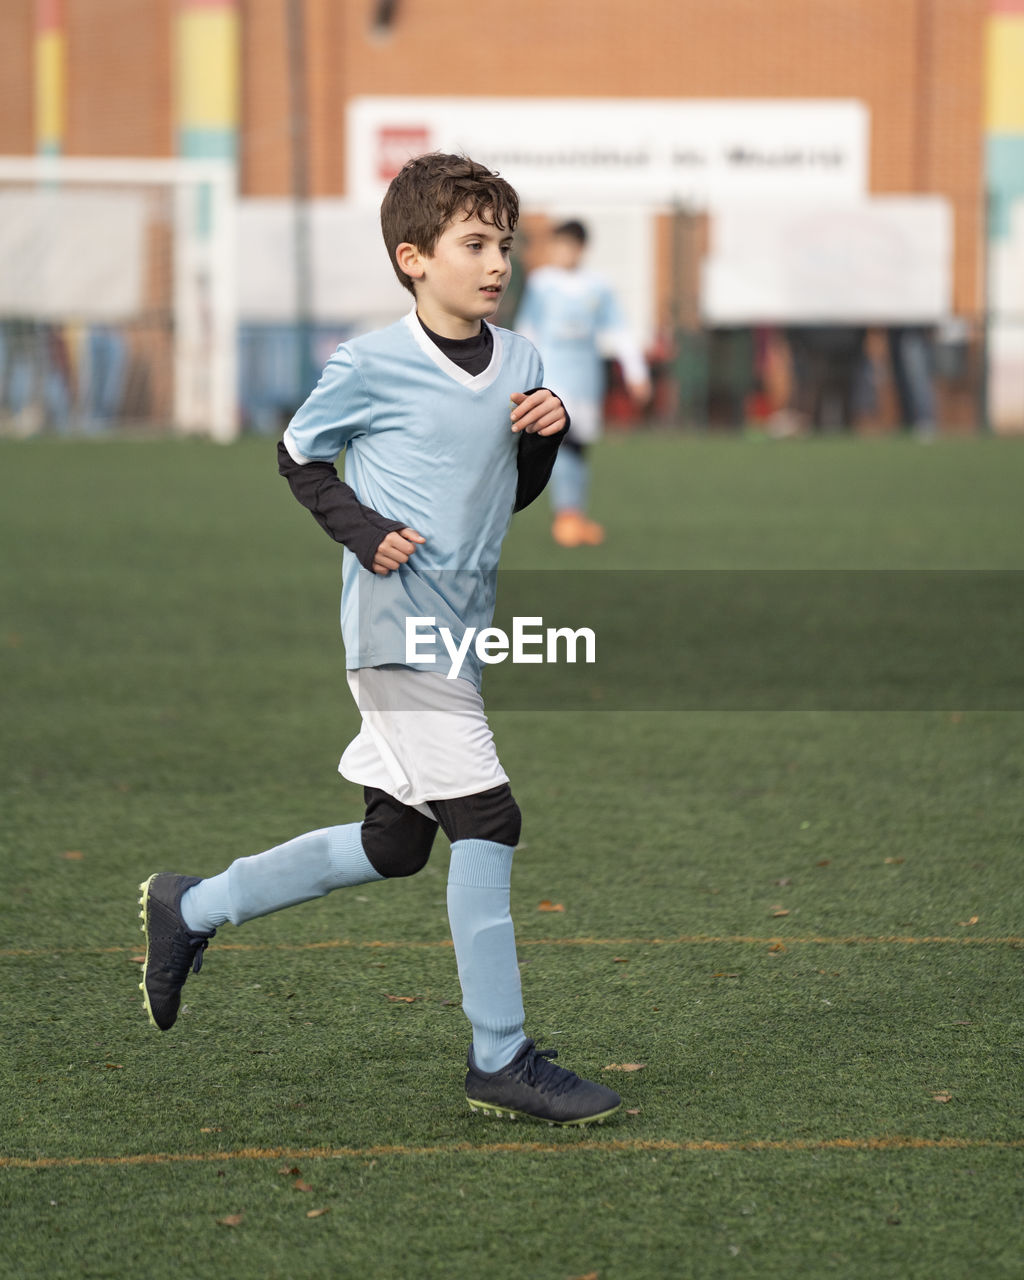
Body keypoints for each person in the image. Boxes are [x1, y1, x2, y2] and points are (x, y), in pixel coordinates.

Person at [136, 153, 622, 1129]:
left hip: (461, 633)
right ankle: (500, 1055)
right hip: (395, 632)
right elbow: (296, 454)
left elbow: (514, 491)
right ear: (413, 257)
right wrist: (366, 532)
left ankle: (188, 907)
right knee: (488, 819)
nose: (496, 263)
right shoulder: (367, 362)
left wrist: (541, 434)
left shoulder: (523, 359)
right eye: (473, 244)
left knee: (395, 842)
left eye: (503, 244)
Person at [516, 219, 650, 547]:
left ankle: (573, 513)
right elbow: (527, 329)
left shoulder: (598, 286)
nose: (563, 252)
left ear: (581, 248)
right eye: (558, 245)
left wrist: (636, 372)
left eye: (569, 245)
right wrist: (520, 373)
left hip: (585, 379)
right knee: (562, 442)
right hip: (552, 378)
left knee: (579, 446)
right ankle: (566, 517)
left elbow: (618, 329)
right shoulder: (542, 283)